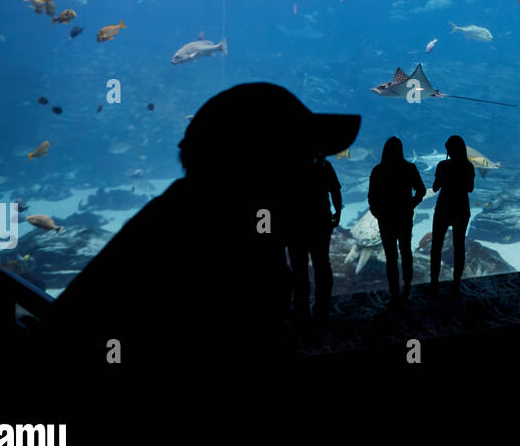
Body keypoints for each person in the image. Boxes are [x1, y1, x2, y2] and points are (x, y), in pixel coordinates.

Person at [51, 82, 360, 368]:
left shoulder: (193, 217)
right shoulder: (211, 245)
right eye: (307, 157)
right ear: (260, 163)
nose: (310, 173)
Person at [286, 153, 343, 327]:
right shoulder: (324, 165)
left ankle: (301, 310)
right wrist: (338, 213)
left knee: (298, 268)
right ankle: (323, 308)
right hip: (320, 221)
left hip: (295, 224)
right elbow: (335, 191)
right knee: (322, 265)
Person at [368, 137, 426, 301]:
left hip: (385, 217)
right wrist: (411, 205)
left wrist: (377, 212)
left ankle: (394, 288)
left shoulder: (378, 170)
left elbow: (372, 196)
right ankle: (408, 284)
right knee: (406, 251)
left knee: (390, 255)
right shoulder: (409, 168)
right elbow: (421, 191)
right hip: (403, 216)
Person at [430, 135, 476, 296]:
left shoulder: (443, 165)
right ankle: (456, 282)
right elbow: (470, 188)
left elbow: (435, 188)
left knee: (436, 246)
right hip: (462, 208)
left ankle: (434, 281)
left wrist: (443, 180)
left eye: (448, 149)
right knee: (459, 245)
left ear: (449, 150)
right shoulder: (469, 166)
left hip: (443, 208)